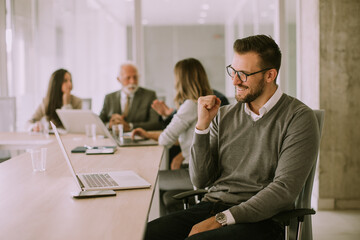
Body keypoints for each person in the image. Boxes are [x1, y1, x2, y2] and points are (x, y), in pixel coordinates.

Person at [145, 35, 320, 240]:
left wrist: (222, 219)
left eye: (244, 74)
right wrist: (202, 127)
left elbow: (283, 190)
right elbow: (200, 180)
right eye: (233, 71)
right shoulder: (224, 115)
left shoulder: (298, 117)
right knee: (146, 234)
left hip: (262, 219)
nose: (235, 80)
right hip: (211, 206)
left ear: (270, 75)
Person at [131, 58, 214, 211]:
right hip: (203, 170)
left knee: (149, 179)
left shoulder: (190, 105)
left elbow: (165, 140)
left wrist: (157, 134)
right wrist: (148, 135)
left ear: (181, 81)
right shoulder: (205, 104)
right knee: (167, 196)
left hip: (193, 172)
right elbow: (180, 139)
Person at [99, 62, 162, 132]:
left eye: (135, 77)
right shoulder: (109, 98)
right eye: (128, 78)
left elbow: (155, 123)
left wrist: (130, 126)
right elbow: (99, 123)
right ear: (119, 79)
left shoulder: (149, 95)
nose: (132, 81)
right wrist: (109, 125)